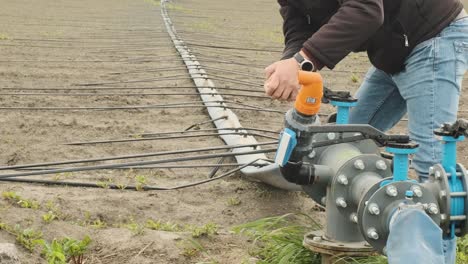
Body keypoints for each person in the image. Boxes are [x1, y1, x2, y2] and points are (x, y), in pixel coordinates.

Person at [264, 0, 468, 181]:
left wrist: (300, 61)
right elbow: (299, 25)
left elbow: (366, 9)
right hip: (392, 49)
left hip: (434, 34)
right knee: (346, 139)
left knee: (432, 167)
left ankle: (438, 221)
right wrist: (290, 63)